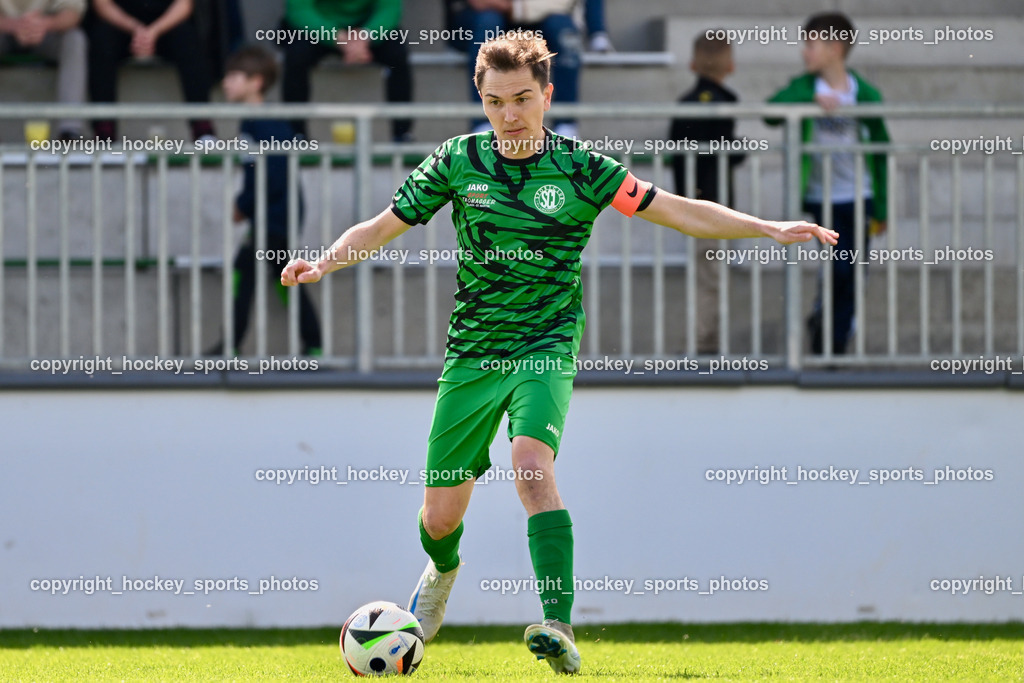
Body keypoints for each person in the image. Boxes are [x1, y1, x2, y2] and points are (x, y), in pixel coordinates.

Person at [281, 32, 836, 674]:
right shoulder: (458, 161)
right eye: (494, 102)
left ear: (547, 93)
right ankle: (442, 571)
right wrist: (324, 262)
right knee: (438, 520)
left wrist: (763, 226)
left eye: (522, 99)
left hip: (546, 341)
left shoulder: (581, 168)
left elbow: (678, 211)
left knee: (531, 466)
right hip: (473, 350)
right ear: (480, 100)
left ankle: (557, 622)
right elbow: (381, 226)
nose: (509, 115)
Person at [767, 12, 889, 355]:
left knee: (854, 274)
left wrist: (882, 207)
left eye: (811, 44)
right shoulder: (805, 87)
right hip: (823, 199)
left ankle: (835, 346)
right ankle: (822, 327)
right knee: (838, 269)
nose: (805, 52)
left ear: (835, 48)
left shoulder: (863, 93)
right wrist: (809, 103)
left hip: (859, 197)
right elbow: (770, 111)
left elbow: (882, 151)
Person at [213, 45, 321, 356]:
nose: (226, 83)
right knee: (282, 275)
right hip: (280, 214)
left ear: (256, 82)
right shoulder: (270, 121)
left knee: (244, 271)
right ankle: (314, 344)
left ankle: (231, 346)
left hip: (273, 216)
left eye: (234, 76)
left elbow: (269, 172)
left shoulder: (257, 124)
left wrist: (243, 204)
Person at [669, 33, 745, 355]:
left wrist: (681, 200)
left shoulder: (685, 103)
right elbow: (724, 151)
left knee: (707, 272)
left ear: (692, 64)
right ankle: (706, 345)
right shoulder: (725, 101)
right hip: (715, 203)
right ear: (730, 65)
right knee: (711, 275)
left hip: (692, 202)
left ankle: (708, 340)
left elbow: (677, 154)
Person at [279, 0, 412, 142]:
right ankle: (295, 135)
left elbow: (390, 10)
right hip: (318, 26)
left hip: (366, 27)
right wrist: (337, 37)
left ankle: (401, 135)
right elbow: (299, 11)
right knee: (296, 55)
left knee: (397, 54)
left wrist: (365, 36)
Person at [444, 0, 582, 137]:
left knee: (563, 27)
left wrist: (516, 8)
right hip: (482, 19)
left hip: (536, 16)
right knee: (489, 23)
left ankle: (565, 122)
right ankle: (483, 121)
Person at [88, 0, 217, 141]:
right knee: (101, 40)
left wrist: (153, 32)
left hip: (166, 24)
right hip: (121, 24)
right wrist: (137, 29)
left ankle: (203, 128)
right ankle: (104, 131)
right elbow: (102, 5)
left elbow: (184, 5)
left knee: (189, 38)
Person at [0, 0, 87, 139]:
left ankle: (70, 131)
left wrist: (43, 24)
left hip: (46, 32)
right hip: (4, 30)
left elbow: (72, 12)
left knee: (75, 39)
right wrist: (16, 26)